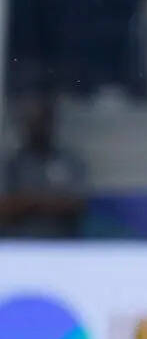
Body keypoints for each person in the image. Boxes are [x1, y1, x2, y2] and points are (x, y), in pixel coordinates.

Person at [0, 93, 87, 238]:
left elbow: (77, 204)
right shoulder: (11, 164)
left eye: (42, 121)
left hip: (64, 242)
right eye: (32, 122)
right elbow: (5, 207)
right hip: (19, 242)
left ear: (52, 123)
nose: (38, 127)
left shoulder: (70, 161)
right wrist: (47, 201)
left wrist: (27, 202)